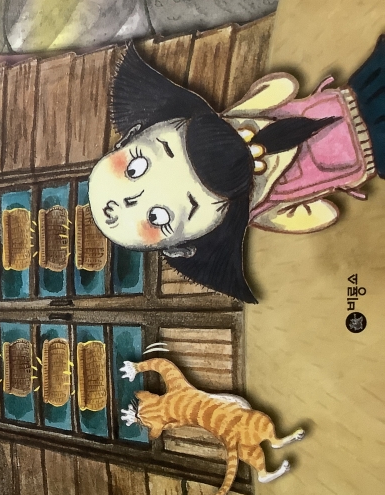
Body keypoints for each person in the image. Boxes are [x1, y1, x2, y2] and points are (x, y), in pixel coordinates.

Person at [88, 38, 385, 303]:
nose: (163, 184)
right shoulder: (263, 209)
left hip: (362, 97)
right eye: (158, 217)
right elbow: (285, 86)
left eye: (136, 167)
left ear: (135, 133)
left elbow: (283, 86)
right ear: (181, 247)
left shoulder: (237, 119)